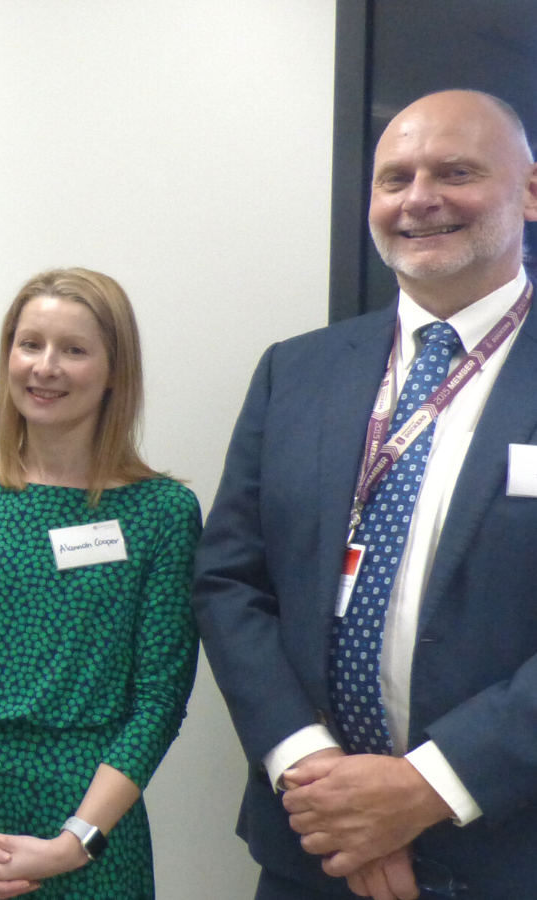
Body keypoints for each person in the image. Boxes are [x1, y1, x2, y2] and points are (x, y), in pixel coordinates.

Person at [195, 89, 537, 900]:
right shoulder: (297, 371)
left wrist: (427, 788)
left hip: (511, 855)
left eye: (456, 171)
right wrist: (316, 775)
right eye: (395, 179)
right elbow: (228, 581)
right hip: (315, 853)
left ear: (529, 190)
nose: (420, 198)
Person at [0, 268, 201, 899]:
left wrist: (74, 843)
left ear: (115, 371)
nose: (45, 367)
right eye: (30, 343)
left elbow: (159, 700)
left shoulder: (163, 513)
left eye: (74, 349)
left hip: (87, 823)